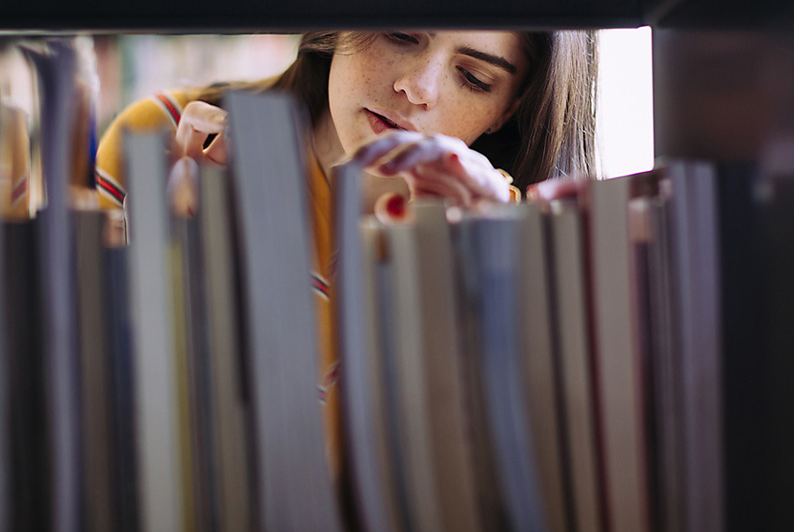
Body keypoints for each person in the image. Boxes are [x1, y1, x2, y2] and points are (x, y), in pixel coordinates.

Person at [94, 29, 598, 472]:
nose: (417, 88)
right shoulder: (164, 141)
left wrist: (484, 282)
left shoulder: (527, 240)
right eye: (399, 35)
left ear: (507, 107)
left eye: (473, 77)